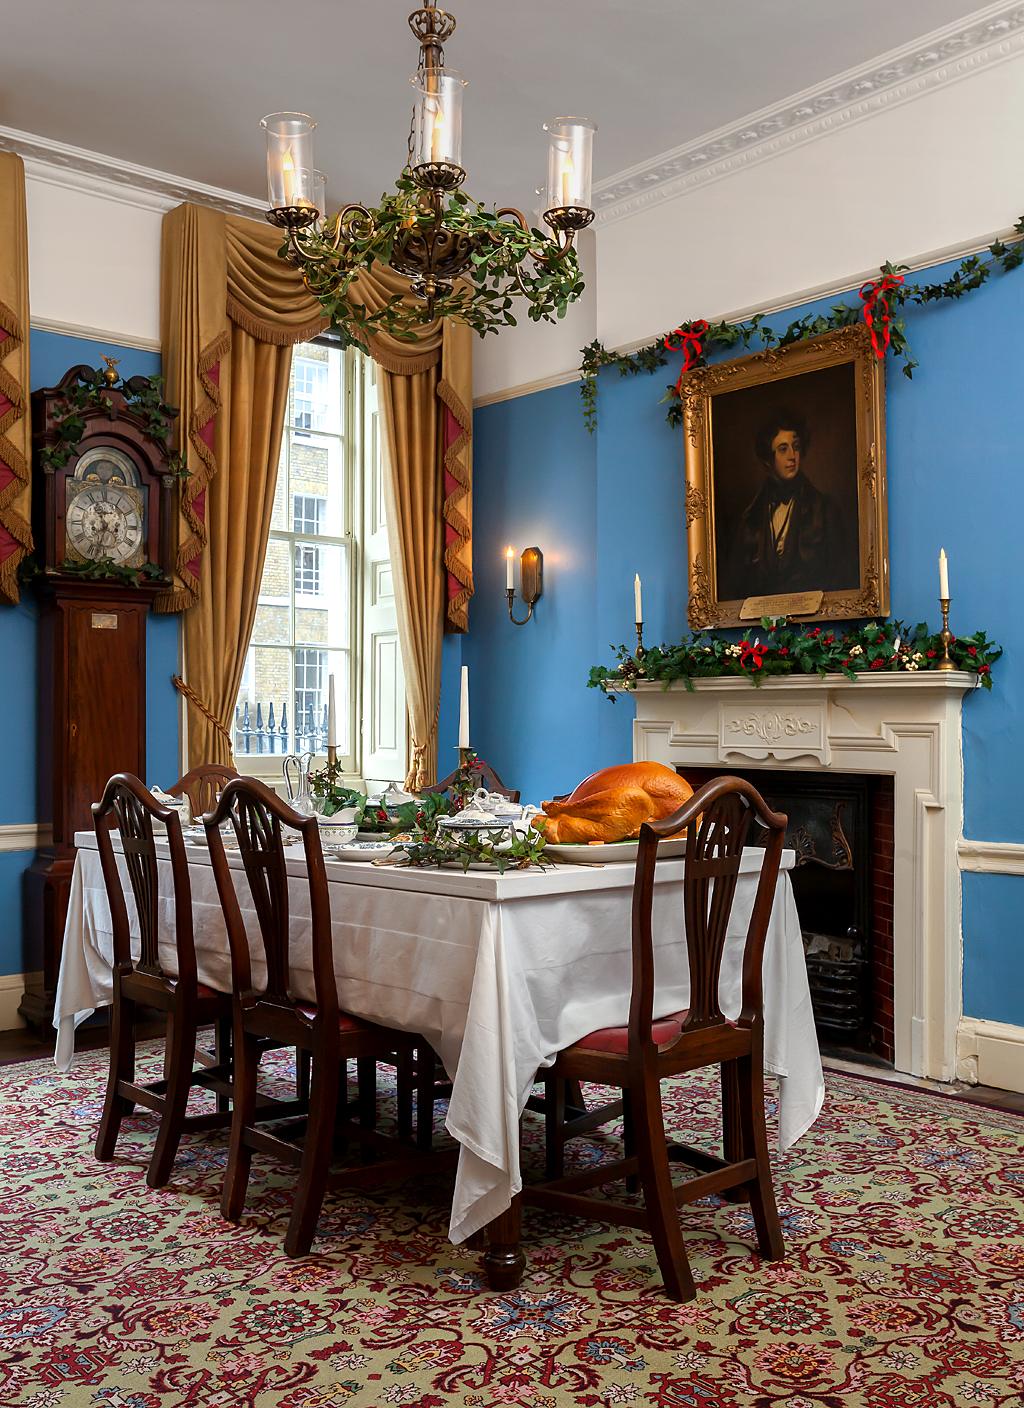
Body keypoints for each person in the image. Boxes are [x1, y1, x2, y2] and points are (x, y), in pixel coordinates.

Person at [719, 408, 853, 600]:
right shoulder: (749, 519)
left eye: (796, 447)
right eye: (783, 449)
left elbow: (840, 575)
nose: (792, 456)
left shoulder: (824, 509)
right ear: (768, 459)